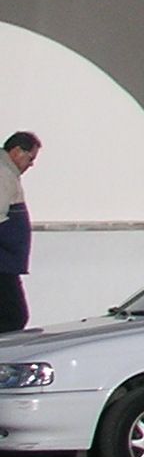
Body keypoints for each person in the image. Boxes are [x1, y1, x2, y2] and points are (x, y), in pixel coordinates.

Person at [0, 132, 37, 334]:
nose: (30, 165)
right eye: (30, 158)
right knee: (13, 317)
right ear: (16, 151)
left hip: (6, 264)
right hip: (2, 266)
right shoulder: (3, 173)